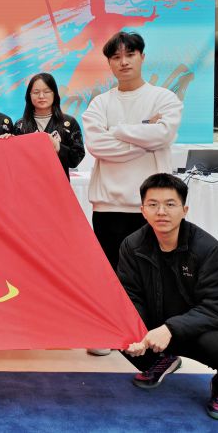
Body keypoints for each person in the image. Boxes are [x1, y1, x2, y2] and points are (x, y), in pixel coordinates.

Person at [118, 173, 218, 422]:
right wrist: (134, 331)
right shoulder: (132, 245)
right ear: (143, 211)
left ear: (184, 210)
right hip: (158, 321)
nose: (161, 211)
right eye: (153, 204)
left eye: (170, 204)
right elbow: (130, 295)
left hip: (199, 327)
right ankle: (161, 361)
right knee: (120, 333)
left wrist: (170, 329)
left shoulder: (209, 250)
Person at [82, 32, 182, 272]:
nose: (124, 62)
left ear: (142, 57)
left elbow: (164, 134)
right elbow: (96, 145)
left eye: (130, 54)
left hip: (153, 206)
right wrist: (146, 138)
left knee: (154, 274)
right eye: (116, 57)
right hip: (108, 208)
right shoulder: (100, 103)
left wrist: (116, 130)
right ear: (109, 63)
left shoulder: (164, 98)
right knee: (112, 275)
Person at [12, 73, 85, 179]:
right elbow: (13, 160)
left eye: (46, 91)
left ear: (54, 94)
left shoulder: (69, 123)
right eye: (36, 92)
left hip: (58, 184)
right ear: (29, 96)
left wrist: (58, 147)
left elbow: (76, 158)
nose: (41, 96)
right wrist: (7, 141)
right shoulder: (20, 125)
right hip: (28, 184)